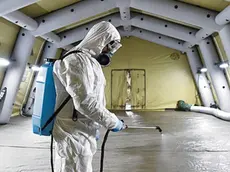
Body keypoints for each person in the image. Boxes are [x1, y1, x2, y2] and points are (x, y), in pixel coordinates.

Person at [52, 21, 126, 172]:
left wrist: (94, 126)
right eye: (111, 46)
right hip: (72, 133)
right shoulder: (77, 61)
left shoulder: (89, 62)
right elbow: (85, 102)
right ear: (101, 40)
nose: (111, 51)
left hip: (82, 130)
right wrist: (112, 122)